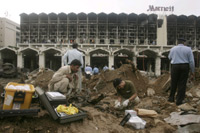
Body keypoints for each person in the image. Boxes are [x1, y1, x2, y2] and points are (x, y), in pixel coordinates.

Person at [168, 38, 195, 106]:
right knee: (182, 83)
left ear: (177, 42)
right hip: (184, 66)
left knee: (173, 82)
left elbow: (169, 57)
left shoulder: (173, 49)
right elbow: (191, 61)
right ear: (184, 43)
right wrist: (192, 71)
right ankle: (179, 100)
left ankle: (171, 98)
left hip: (175, 66)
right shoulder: (188, 49)